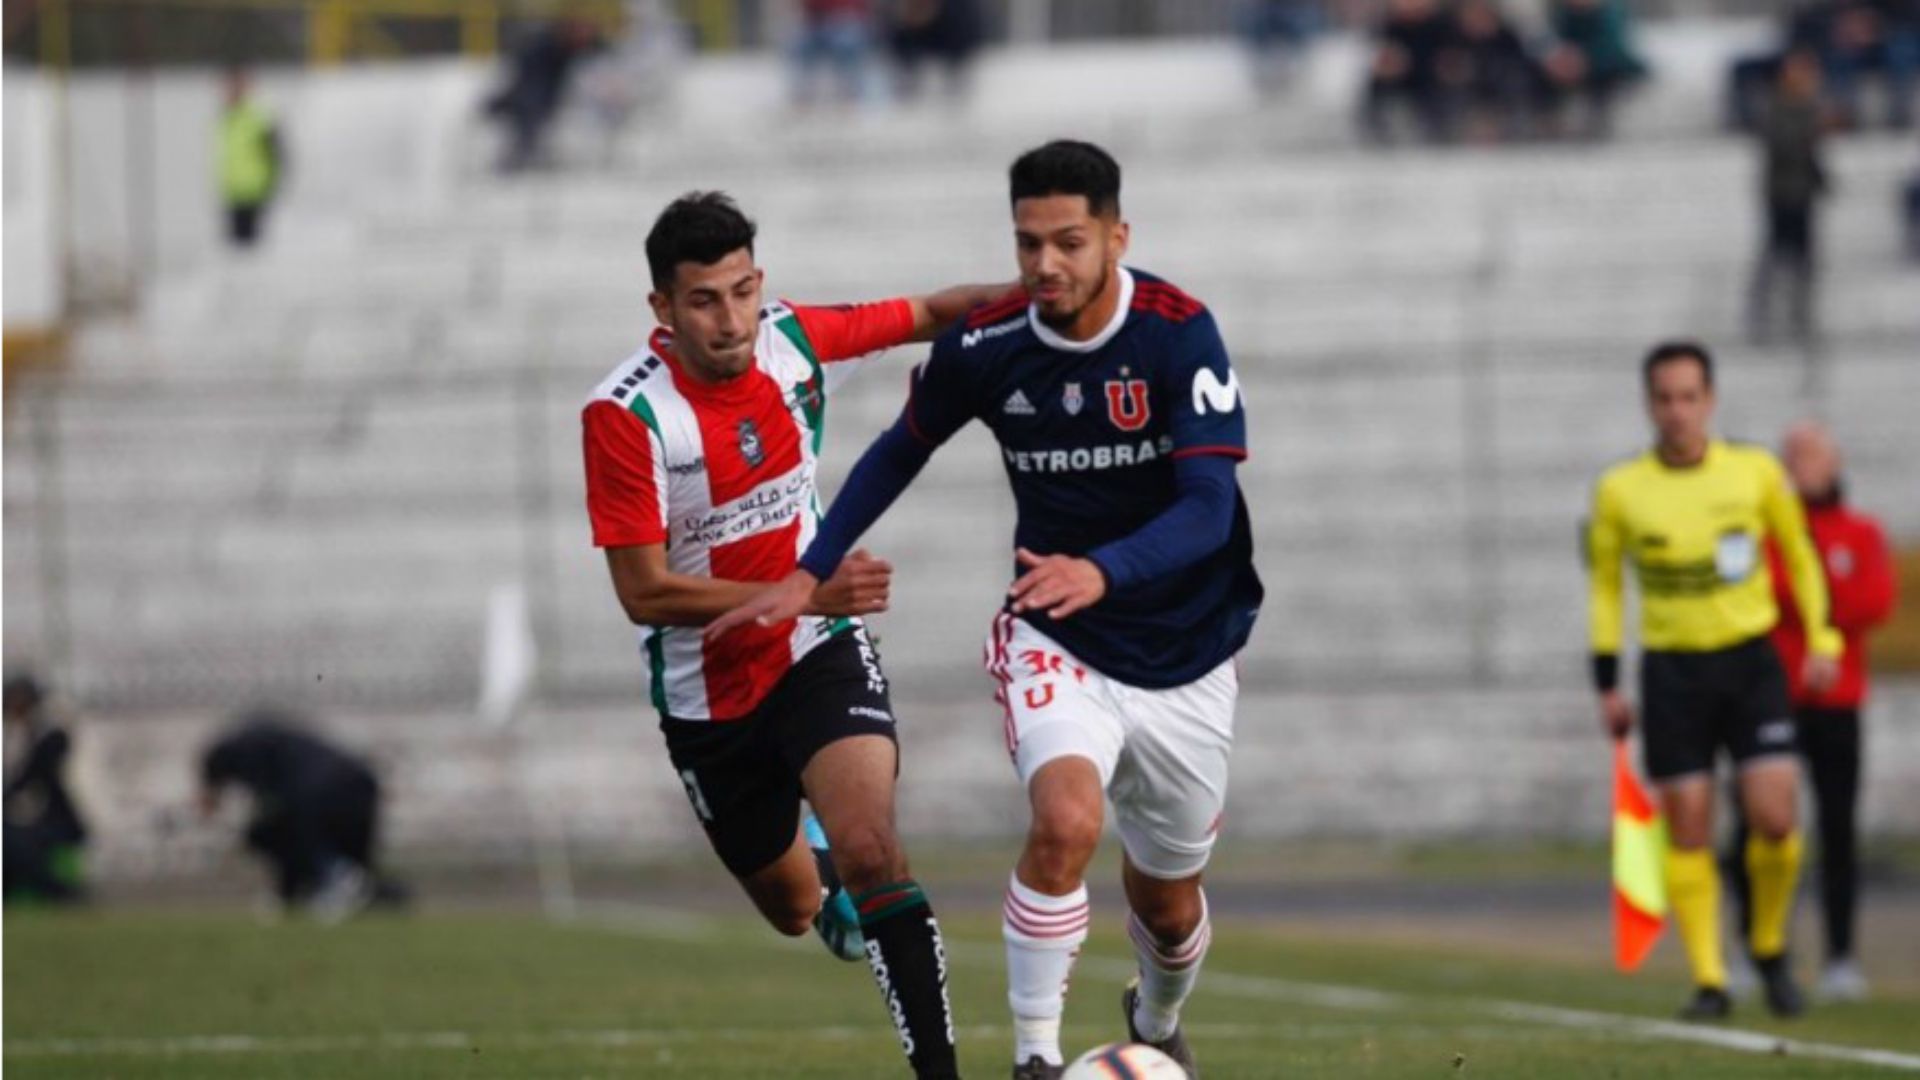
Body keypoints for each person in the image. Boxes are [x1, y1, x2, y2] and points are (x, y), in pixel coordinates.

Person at [712, 141, 1262, 1080]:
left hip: (1187, 647)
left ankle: (1158, 1017)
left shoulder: (1178, 331)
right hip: (1057, 637)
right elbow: (899, 450)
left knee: (1169, 910)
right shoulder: (989, 342)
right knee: (1065, 821)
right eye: (1027, 243)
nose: (1046, 264)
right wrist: (812, 569)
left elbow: (1209, 510)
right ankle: (1036, 1059)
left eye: (1070, 242)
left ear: (1116, 237)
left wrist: (1105, 569)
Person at [583, 191, 1008, 1079]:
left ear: (760, 283)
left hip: (817, 653)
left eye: (742, 292)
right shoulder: (627, 417)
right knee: (790, 905)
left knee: (873, 850)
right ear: (663, 309)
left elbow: (932, 314)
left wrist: (1048, 301)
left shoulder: (794, 342)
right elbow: (643, 592)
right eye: (704, 300)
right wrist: (797, 593)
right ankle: (814, 874)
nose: (730, 319)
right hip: (708, 694)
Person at [1586, 341, 1841, 1022]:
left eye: (1688, 397)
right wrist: (1607, 677)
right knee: (1691, 827)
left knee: (1776, 819)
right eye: (1664, 398)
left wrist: (1822, 636)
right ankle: (1710, 979)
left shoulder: (1755, 473)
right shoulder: (1621, 490)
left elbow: (1801, 553)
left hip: (1749, 663)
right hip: (1672, 671)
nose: (1677, 411)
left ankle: (1768, 943)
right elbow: (1607, 585)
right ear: (1649, 404)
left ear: (1710, 400)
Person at [1725, 421, 1897, 1002]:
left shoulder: (1862, 531)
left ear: (1835, 462)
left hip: (1837, 700)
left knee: (1838, 831)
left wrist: (1811, 597)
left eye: (1812, 454)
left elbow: (1873, 599)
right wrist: (1811, 596)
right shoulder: (1766, 531)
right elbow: (1757, 594)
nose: (1801, 464)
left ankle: (1841, 958)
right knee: (1758, 824)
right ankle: (1756, 948)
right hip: (1769, 695)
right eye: (1792, 454)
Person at [199, 709, 408, 921]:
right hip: (359, 786)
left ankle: (334, 879)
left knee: (271, 833)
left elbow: (280, 820)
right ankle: (332, 883)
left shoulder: (246, 750)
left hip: (323, 793)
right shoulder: (278, 745)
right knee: (290, 832)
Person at [1747, 50, 1831, 345]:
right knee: (1775, 252)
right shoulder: (1776, 108)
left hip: (1803, 194)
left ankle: (1800, 309)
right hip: (1782, 194)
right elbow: (1785, 145)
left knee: (1803, 256)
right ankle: (1762, 310)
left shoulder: (1809, 108)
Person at [3, 673, 88, 905]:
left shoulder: (50, 736)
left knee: (14, 845)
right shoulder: (23, 736)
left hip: (63, 822)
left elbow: (27, 779)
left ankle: (60, 893)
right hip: (42, 820)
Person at [486, 18, 602, 172]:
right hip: (528, 99)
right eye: (580, 31)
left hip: (539, 99)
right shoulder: (545, 48)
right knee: (529, 111)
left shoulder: (576, 50)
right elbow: (528, 82)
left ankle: (525, 156)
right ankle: (520, 157)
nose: (584, 36)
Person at [1541, 0, 1648, 138]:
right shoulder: (1563, 15)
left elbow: (1613, 49)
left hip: (1612, 70)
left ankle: (1598, 124)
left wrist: (1583, 60)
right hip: (1575, 67)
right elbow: (1555, 42)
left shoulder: (1610, 13)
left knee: (1603, 83)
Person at [1362, 0, 1455, 143]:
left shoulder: (1444, 27)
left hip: (1432, 85)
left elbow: (1451, 62)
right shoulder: (1389, 27)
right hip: (1399, 82)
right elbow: (1382, 59)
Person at [216, 68, 282, 248]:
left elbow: (276, 153)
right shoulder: (226, 117)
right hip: (233, 193)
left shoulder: (259, 117)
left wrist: (271, 183)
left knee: (253, 251)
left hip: (254, 193)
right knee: (237, 251)